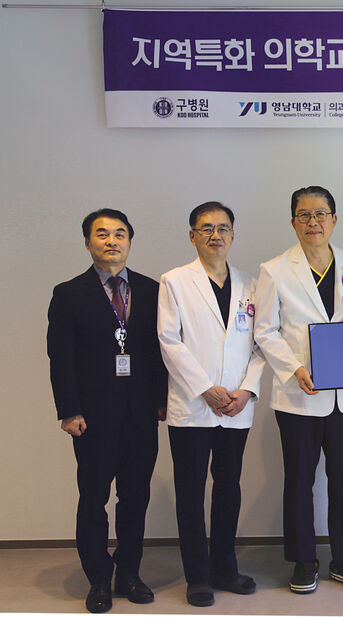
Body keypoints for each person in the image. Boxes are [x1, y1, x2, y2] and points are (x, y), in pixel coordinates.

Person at [253, 186, 343, 594]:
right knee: (299, 480)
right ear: (293, 222)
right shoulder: (274, 269)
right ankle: (303, 560)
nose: (313, 222)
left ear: (334, 219)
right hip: (299, 394)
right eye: (304, 215)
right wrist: (294, 368)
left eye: (321, 214)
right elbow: (265, 331)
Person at [47, 209, 166, 613]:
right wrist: (69, 410)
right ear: (87, 242)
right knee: (93, 497)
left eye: (119, 234)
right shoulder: (68, 293)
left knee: (135, 497)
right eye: (102, 234)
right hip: (92, 416)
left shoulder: (151, 290)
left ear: (129, 241)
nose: (111, 241)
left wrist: (161, 398)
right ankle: (98, 577)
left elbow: (159, 351)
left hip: (141, 413)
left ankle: (129, 572)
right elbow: (60, 357)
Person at [158, 202, 266, 607]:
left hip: (236, 406)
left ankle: (224, 567)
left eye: (222, 228)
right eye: (206, 228)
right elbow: (169, 341)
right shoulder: (174, 281)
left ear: (233, 235)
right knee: (190, 493)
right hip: (192, 406)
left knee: (228, 489)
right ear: (192, 236)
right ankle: (198, 576)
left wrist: (247, 390)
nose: (215, 235)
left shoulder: (251, 284)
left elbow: (261, 343)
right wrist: (205, 388)